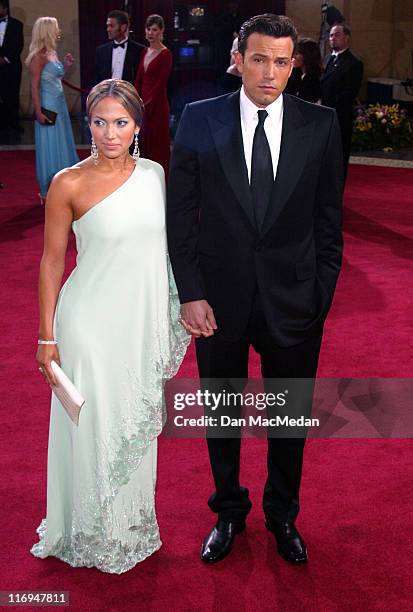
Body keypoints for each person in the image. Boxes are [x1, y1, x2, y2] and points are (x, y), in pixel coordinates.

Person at [167, 14, 343, 565]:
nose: (270, 73)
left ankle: (282, 515)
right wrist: (190, 291)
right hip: (216, 301)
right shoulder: (199, 118)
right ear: (239, 59)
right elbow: (180, 216)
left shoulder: (322, 124)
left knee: (289, 418)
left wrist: (320, 296)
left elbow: (329, 223)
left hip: (295, 300)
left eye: (282, 61)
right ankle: (228, 511)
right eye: (260, 59)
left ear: (296, 65)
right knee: (221, 411)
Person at [31, 79, 189, 573]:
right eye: (99, 122)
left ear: (137, 125)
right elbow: (52, 263)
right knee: (94, 427)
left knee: (133, 427)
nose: (109, 132)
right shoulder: (68, 183)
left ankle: (129, 526)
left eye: (120, 122)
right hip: (89, 326)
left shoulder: (155, 175)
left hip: (138, 323)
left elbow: (168, 253)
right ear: (89, 124)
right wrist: (46, 336)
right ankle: (89, 530)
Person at [26, 17, 79, 204]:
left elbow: (55, 76)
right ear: (47, 31)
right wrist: (39, 112)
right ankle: (49, 190)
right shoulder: (37, 57)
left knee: (62, 142)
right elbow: (34, 87)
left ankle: (65, 186)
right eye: (56, 28)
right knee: (51, 145)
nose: (59, 31)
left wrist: (65, 65)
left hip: (60, 106)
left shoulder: (52, 52)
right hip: (48, 107)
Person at [321, 23, 363, 176]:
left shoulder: (354, 63)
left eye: (337, 35)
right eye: (331, 35)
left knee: (339, 156)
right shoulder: (328, 59)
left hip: (340, 117)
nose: (332, 38)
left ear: (346, 38)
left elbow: (349, 93)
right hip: (324, 117)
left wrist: (325, 106)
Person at [135, 14, 172, 174]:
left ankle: (160, 176)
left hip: (157, 104)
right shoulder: (144, 51)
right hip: (141, 103)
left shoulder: (166, 54)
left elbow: (160, 83)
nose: (150, 33)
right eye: (148, 29)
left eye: (154, 30)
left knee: (157, 141)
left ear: (161, 31)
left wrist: (147, 102)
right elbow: (139, 78)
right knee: (143, 140)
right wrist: (135, 99)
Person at [95, 10, 144, 85]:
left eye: (111, 26)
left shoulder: (140, 51)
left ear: (123, 27)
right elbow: (98, 80)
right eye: (107, 26)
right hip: (107, 95)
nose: (108, 29)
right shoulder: (101, 51)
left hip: (128, 95)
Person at [0, 0, 24, 132]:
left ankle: (13, 123)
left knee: (13, 94)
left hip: (12, 67)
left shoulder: (17, 25)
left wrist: (5, 58)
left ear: (4, 9)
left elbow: (18, 45)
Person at [286, 37, 322, 103]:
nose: (293, 56)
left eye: (297, 53)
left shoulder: (315, 79)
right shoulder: (294, 74)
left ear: (308, 55)